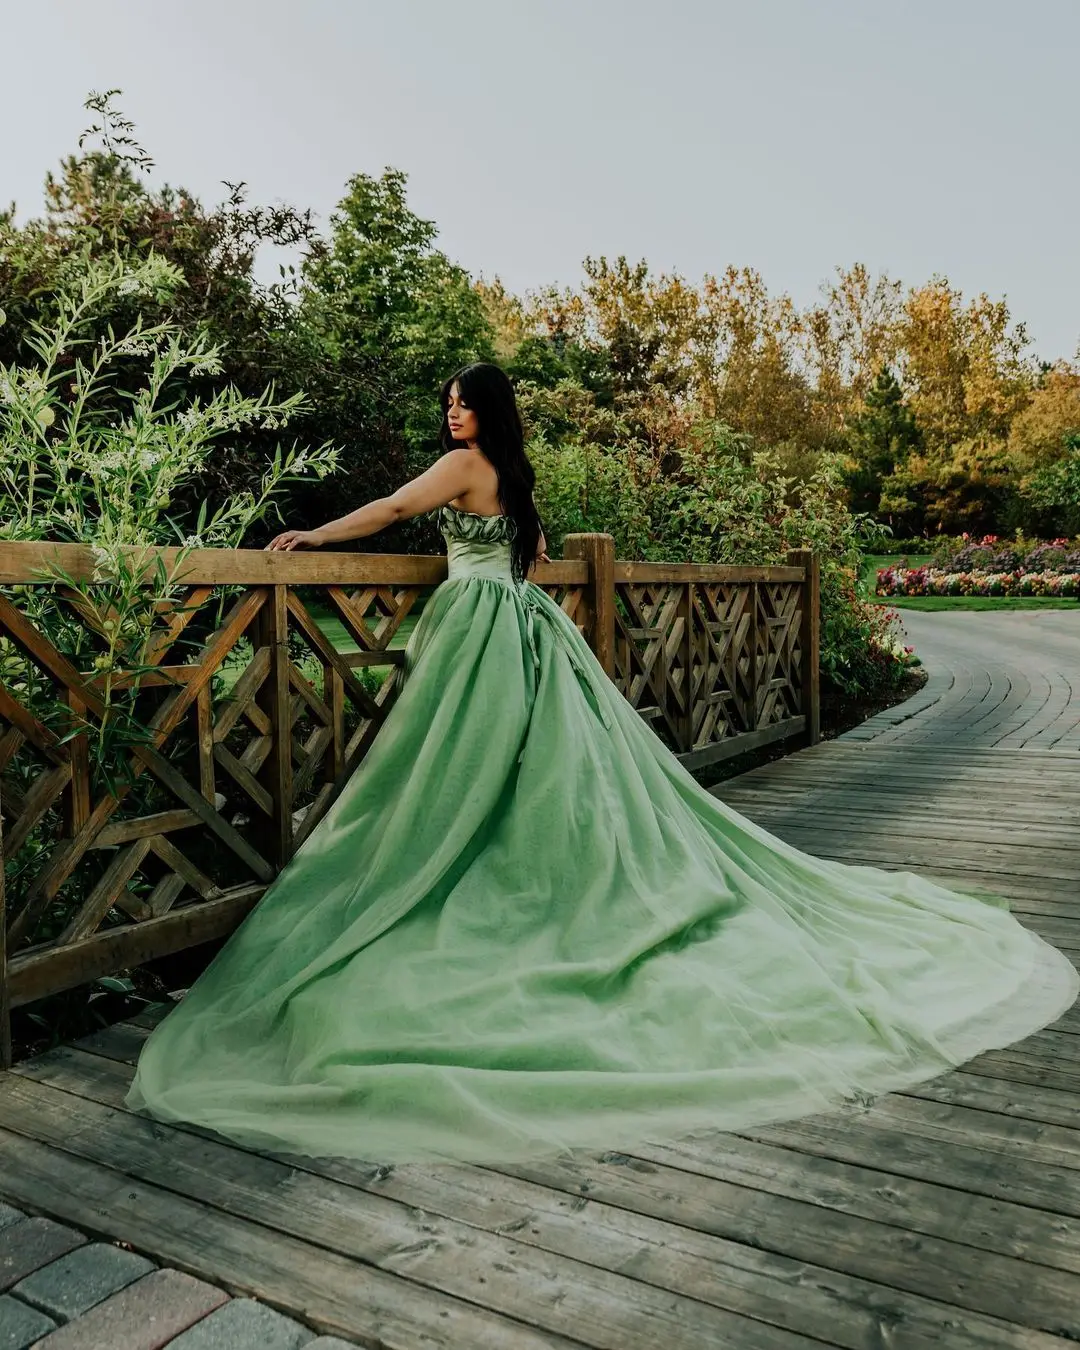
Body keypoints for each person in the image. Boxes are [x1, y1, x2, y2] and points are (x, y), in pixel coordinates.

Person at [123, 361, 1079, 1166]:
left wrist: (313, 536)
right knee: (542, 774)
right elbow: (528, 550)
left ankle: (479, 878)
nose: (450, 412)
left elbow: (392, 507)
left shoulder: (464, 464)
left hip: (481, 633)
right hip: (528, 623)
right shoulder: (516, 476)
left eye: (461, 400)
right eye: (450, 402)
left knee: (452, 773)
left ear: (482, 413)